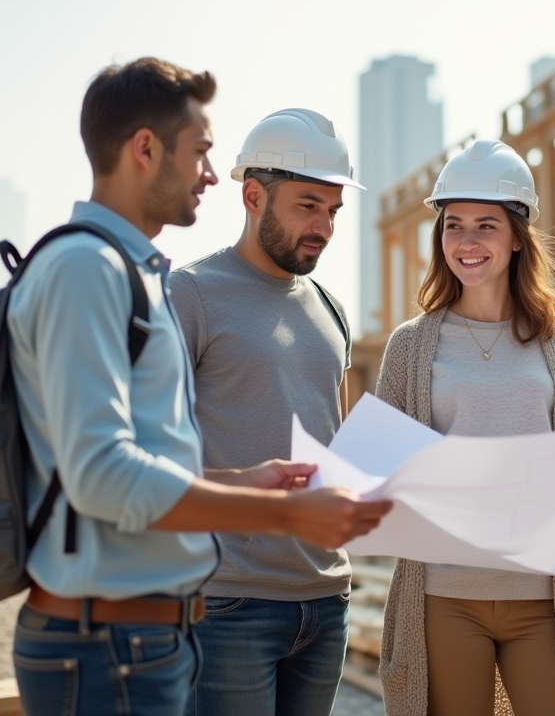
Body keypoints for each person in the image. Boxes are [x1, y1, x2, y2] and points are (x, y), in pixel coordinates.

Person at [7, 61, 390, 716]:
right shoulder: (108, 274)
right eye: (202, 155)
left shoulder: (142, 276)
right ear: (146, 149)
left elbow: (151, 453)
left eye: (332, 210)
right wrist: (281, 513)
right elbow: (101, 472)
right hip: (164, 620)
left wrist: (253, 482)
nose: (212, 175)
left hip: (274, 605)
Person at [373, 139, 555, 716]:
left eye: (486, 225)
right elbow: (380, 476)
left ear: (517, 235)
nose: (467, 241)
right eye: (453, 225)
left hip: (546, 596)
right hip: (443, 596)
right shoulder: (411, 347)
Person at [168, 108, 365, 716]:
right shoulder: (189, 294)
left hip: (326, 599)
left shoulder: (331, 310)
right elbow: (153, 453)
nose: (324, 227)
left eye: (333, 210)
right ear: (254, 195)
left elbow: (326, 445)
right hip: (228, 603)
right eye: (308, 205)